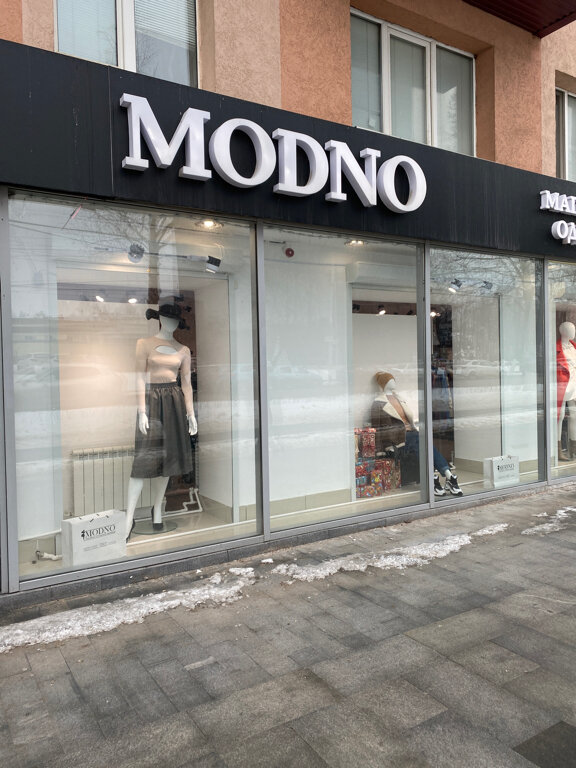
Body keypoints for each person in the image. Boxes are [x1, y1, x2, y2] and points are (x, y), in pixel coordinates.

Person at [125, 303, 198, 540]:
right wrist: (141, 411)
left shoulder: (183, 349)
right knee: (143, 458)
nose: (171, 323)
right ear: (159, 319)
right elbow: (138, 377)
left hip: (174, 402)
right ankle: (128, 519)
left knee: (169, 458)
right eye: (167, 318)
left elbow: (186, 384)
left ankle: (158, 510)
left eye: (175, 320)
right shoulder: (144, 344)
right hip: (152, 400)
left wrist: (190, 414)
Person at [370, 371, 462, 497]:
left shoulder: (399, 399)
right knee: (421, 443)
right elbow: (377, 429)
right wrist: (381, 451)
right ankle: (439, 477)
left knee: (426, 443)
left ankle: (448, 476)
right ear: (384, 383)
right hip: (397, 440)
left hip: (411, 434)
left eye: (393, 379)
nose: (393, 382)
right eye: (390, 380)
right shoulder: (378, 403)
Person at [556, 320, 576, 461]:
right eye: (570, 329)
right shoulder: (555, 348)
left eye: (573, 329)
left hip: (574, 386)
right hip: (562, 386)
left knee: (574, 417)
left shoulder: (574, 347)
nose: (573, 332)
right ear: (562, 331)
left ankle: (573, 449)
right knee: (559, 417)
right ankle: (558, 450)